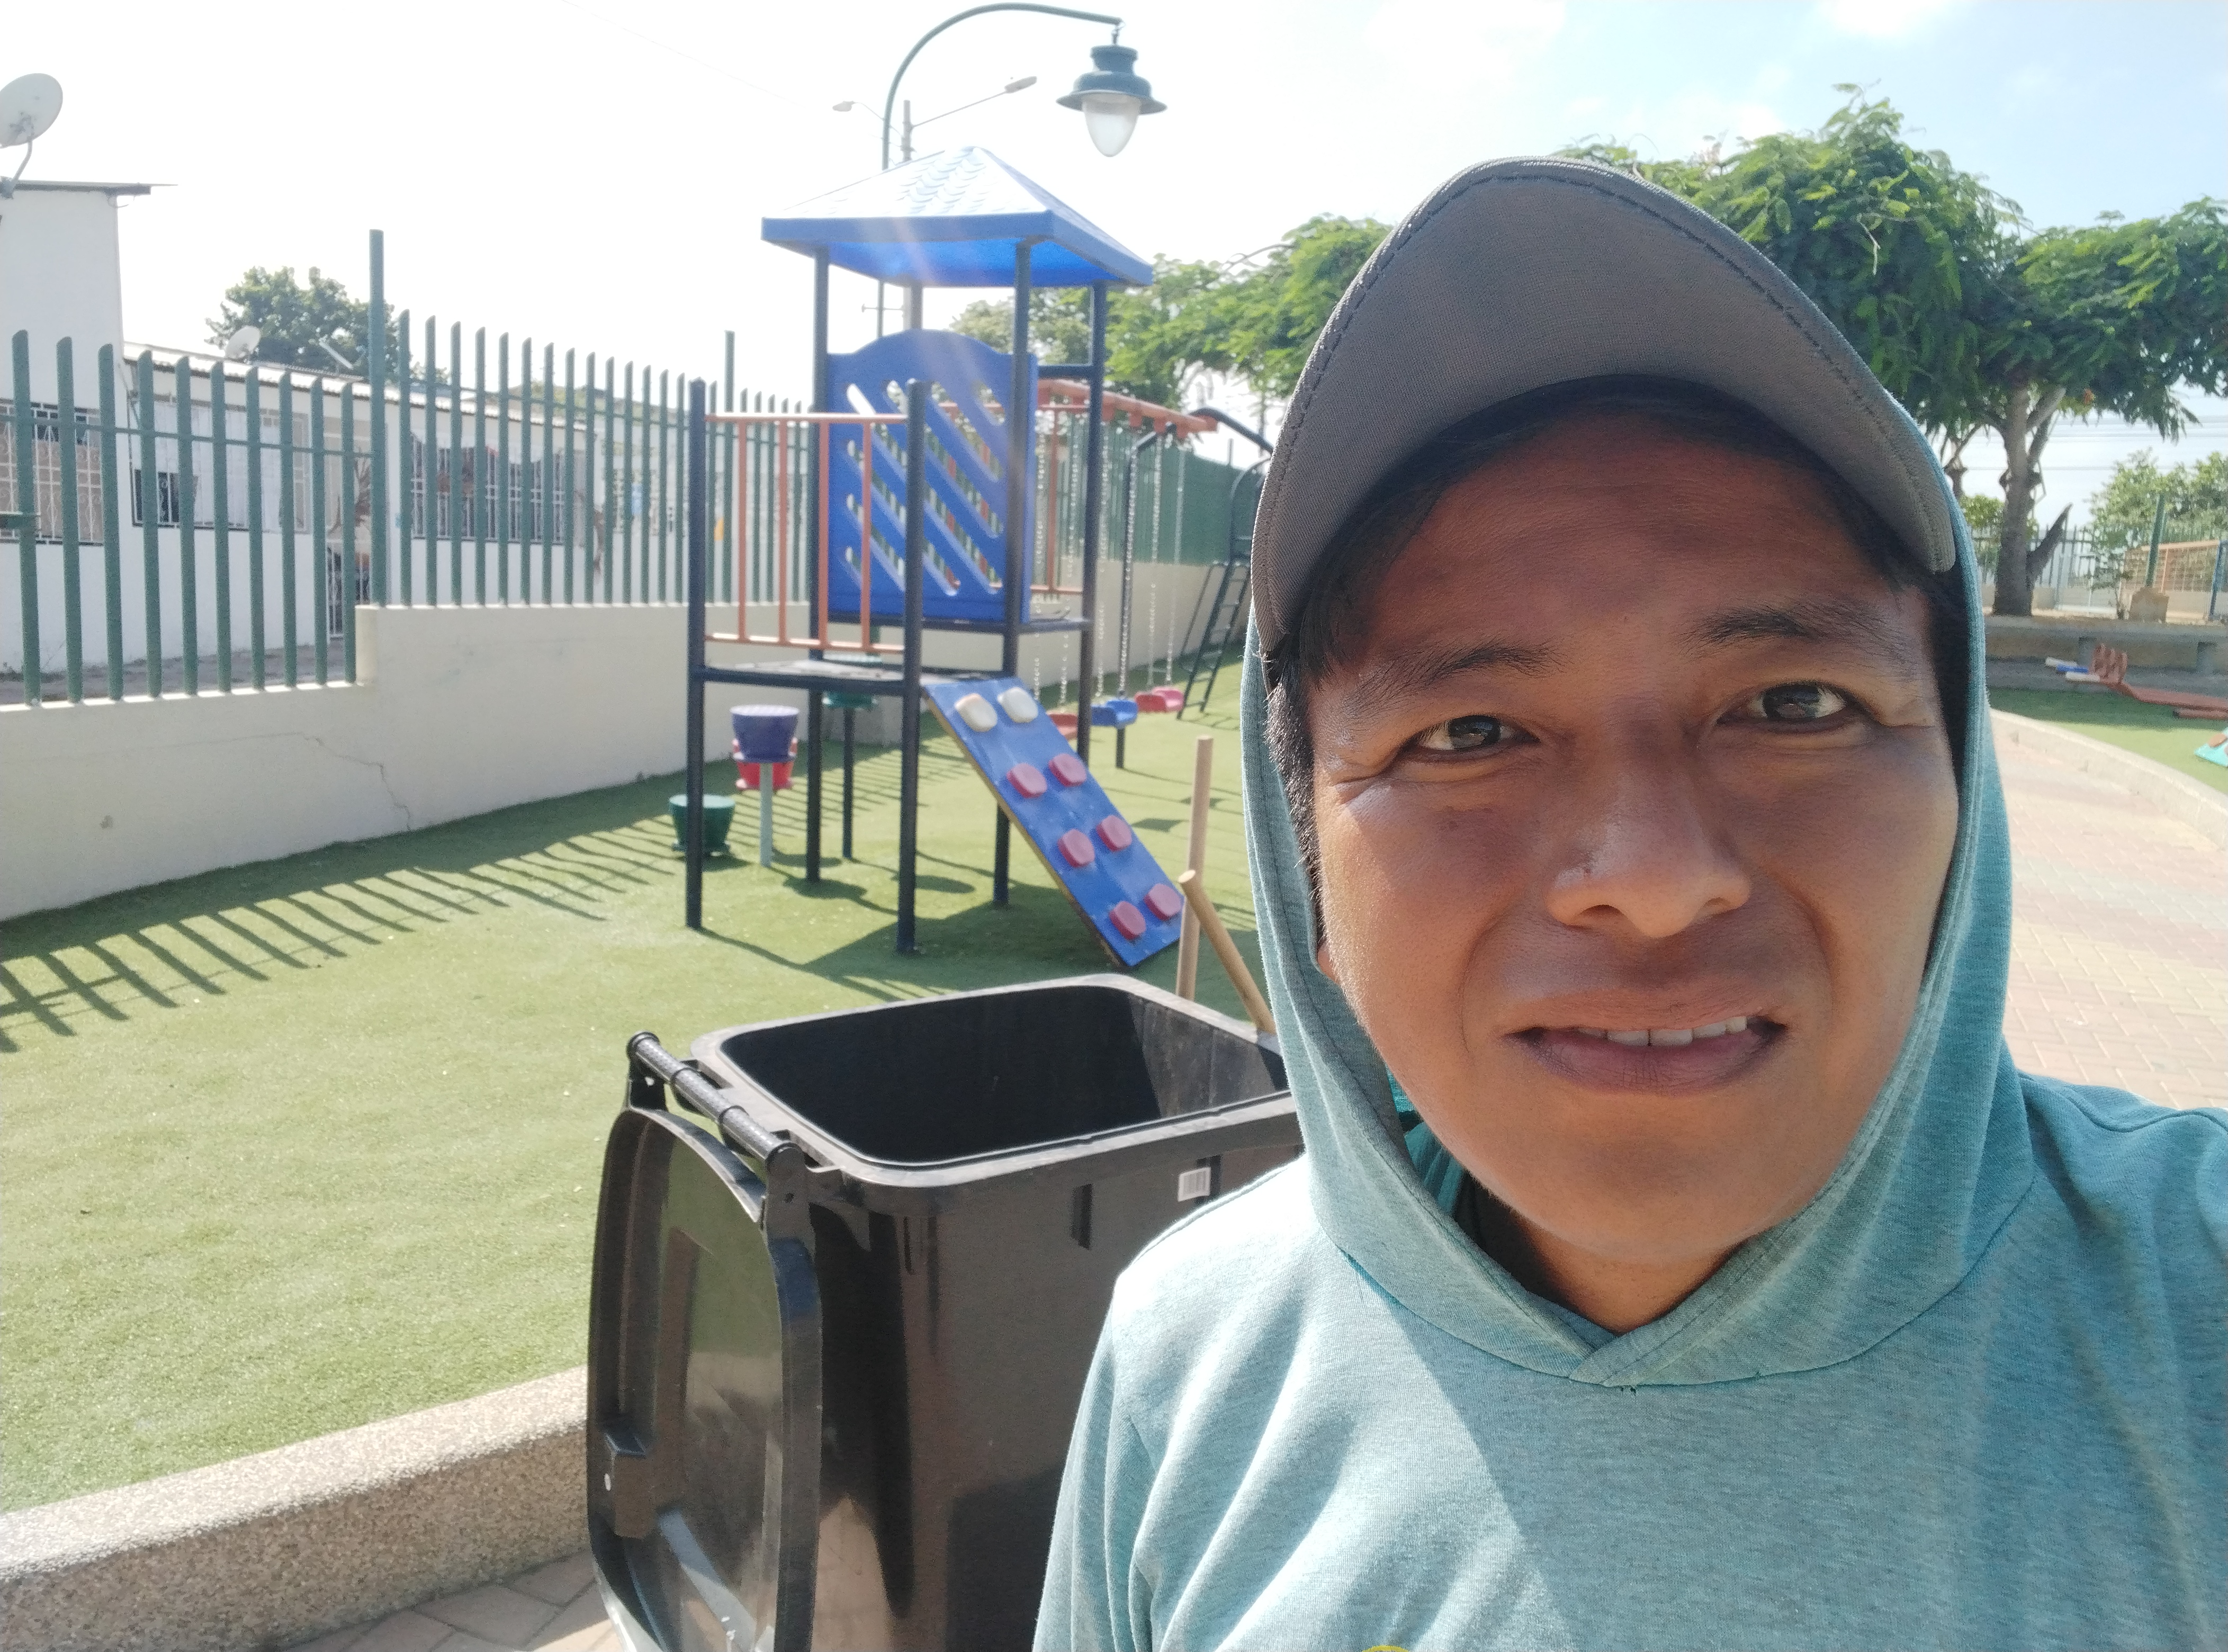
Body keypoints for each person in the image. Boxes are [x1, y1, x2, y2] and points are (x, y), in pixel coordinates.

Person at [1034, 158, 2225, 1651]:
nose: (1655, 880)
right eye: (1469, 734)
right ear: (1306, 874)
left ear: (1962, 800)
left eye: (1795, 704)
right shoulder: (1190, 1358)